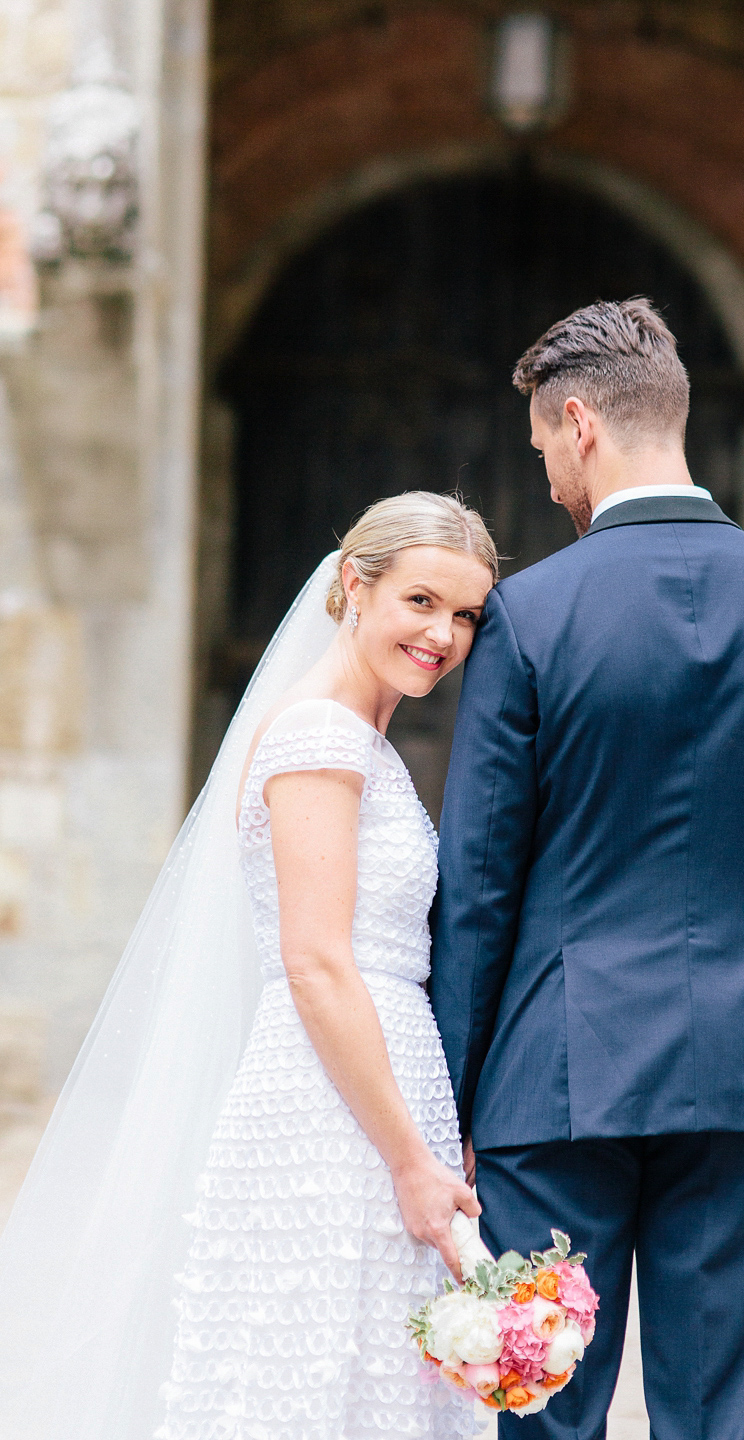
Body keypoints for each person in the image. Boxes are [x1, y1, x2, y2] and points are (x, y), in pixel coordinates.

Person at [430, 298, 744, 1440]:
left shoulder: (529, 616)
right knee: (717, 1416)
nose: (547, 486)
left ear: (579, 424)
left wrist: (454, 1092)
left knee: (549, 1413)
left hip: (552, 1079)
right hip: (742, 1072)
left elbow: (481, 879)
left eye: (543, 455)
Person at [0, 492, 496, 1440]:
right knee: (311, 1376)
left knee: (367, 1375)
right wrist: (410, 1163)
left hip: (375, 1092)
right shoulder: (321, 736)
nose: (445, 634)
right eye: (423, 601)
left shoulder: (357, 737)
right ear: (355, 585)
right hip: (337, 1112)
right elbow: (314, 963)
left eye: (466, 614)